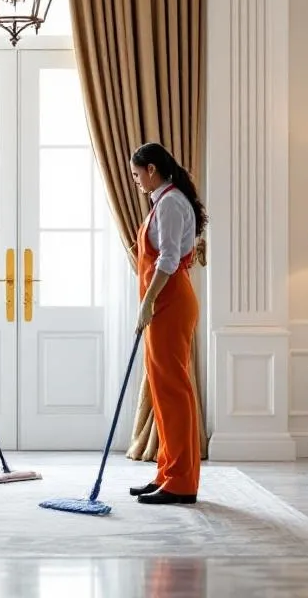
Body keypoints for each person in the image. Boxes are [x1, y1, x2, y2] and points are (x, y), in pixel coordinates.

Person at [126, 142, 208, 505]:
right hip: (162, 303)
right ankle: (167, 472)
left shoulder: (172, 202)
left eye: (136, 174)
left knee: (174, 390)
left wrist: (147, 302)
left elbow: (169, 260)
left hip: (170, 303)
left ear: (152, 169)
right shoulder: (162, 201)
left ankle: (181, 482)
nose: (136, 181)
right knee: (162, 390)